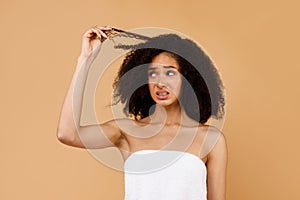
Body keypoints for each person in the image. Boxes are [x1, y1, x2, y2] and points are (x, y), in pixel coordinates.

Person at [57, 25, 227, 200]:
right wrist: (85, 59)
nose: (160, 82)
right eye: (153, 74)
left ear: (188, 78)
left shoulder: (211, 139)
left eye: (170, 73)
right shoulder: (126, 131)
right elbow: (67, 133)